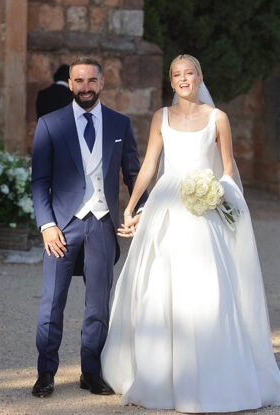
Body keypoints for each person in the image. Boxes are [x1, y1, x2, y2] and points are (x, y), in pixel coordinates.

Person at [101, 54, 280, 412]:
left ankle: (215, 376)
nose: (183, 79)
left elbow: (228, 169)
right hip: (166, 207)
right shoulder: (160, 117)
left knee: (209, 290)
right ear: (171, 82)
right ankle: (160, 378)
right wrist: (132, 206)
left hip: (204, 211)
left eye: (189, 73)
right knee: (160, 287)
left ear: (200, 77)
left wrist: (219, 195)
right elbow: (150, 164)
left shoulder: (219, 119)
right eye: (177, 75)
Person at [31, 57, 147, 397]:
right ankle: (46, 373)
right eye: (79, 81)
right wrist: (47, 225)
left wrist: (139, 209)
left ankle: (91, 372)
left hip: (102, 224)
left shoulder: (119, 124)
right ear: (70, 83)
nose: (85, 87)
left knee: (99, 304)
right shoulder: (50, 124)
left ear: (102, 83)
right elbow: (40, 181)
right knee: (52, 303)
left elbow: (133, 174)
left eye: (91, 80)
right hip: (62, 227)